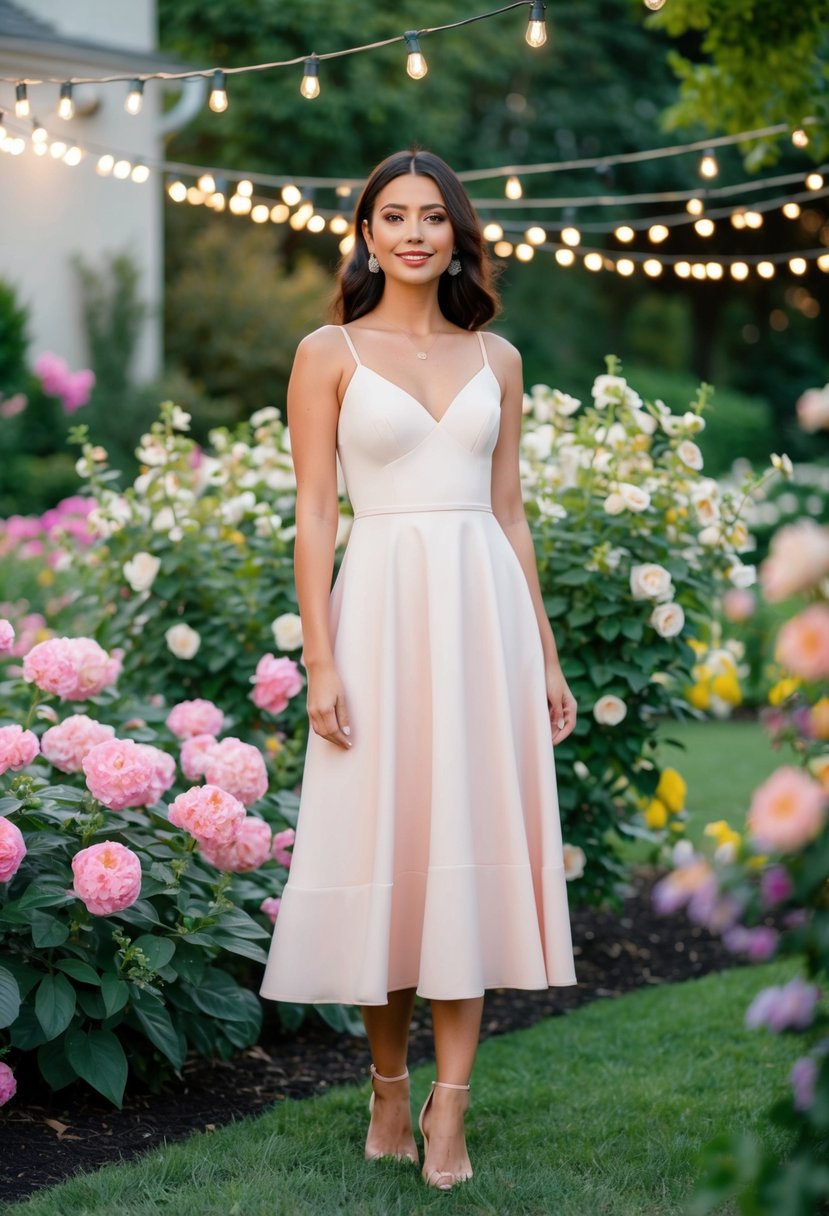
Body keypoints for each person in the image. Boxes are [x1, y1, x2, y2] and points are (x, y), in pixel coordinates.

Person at [259, 147, 579, 1191]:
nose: (411, 232)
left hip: (482, 617)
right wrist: (319, 657)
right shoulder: (327, 350)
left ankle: (451, 1110)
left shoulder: (500, 361)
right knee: (387, 851)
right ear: (363, 231)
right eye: (391, 214)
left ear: (456, 234)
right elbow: (314, 512)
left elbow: (509, 511)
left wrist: (544, 652)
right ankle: (387, 1085)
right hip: (379, 613)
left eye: (430, 216)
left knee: (465, 850)